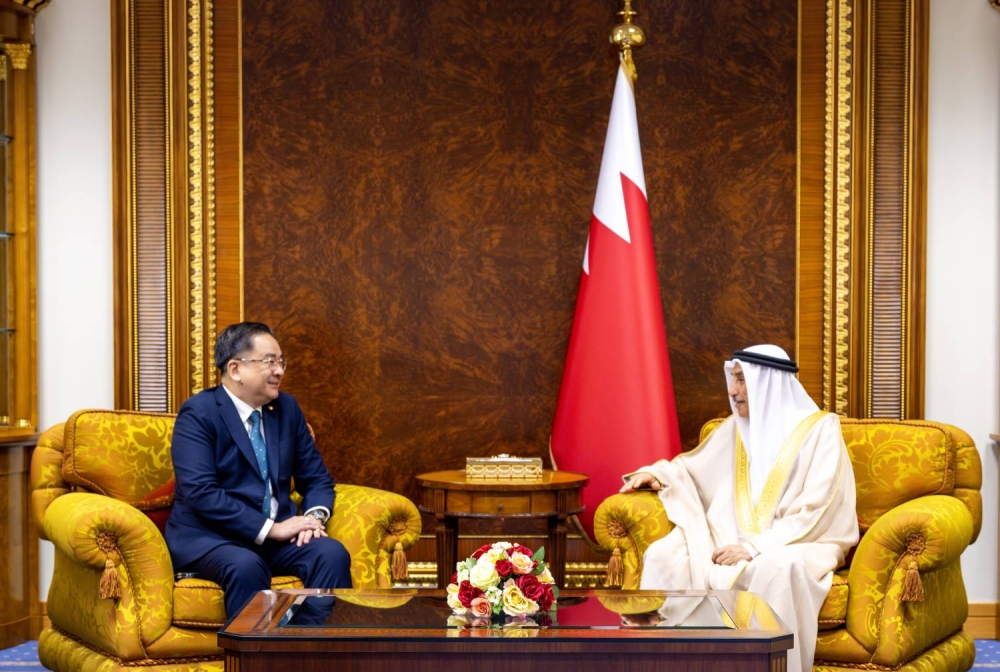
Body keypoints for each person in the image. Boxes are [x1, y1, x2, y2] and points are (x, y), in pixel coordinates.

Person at [619, 344, 858, 672]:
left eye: (742, 380)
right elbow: (692, 470)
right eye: (732, 379)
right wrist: (658, 474)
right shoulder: (735, 428)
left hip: (802, 541)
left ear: (768, 382)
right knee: (664, 556)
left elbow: (818, 508)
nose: (733, 391)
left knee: (778, 568)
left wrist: (754, 548)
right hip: (728, 538)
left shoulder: (821, 430)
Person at [165, 321, 352, 619]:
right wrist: (271, 529)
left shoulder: (287, 409)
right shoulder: (199, 413)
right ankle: (261, 648)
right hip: (213, 538)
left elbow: (317, 479)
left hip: (276, 540)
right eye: (269, 362)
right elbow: (201, 492)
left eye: (281, 362)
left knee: (330, 553)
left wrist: (313, 520)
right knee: (246, 565)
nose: (279, 371)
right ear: (236, 369)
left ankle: (314, 644)